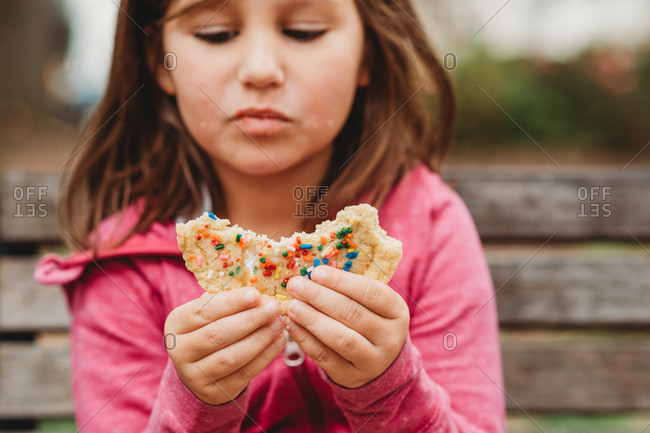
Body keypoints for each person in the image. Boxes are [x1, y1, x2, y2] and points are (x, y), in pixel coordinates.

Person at [35, 0, 505, 431]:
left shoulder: (430, 226)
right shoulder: (122, 263)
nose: (261, 70)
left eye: (304, 31)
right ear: (161, 62)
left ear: (368, 56)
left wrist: (389, 387)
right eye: (216, 34)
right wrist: (194, 404)